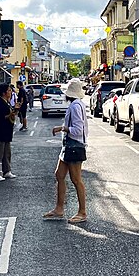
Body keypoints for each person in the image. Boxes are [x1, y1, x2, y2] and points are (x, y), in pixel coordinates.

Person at [44, 79, 88, 224]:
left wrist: (62, 128)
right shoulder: (77, 105)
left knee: (76, 180)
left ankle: (82, 212)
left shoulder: (75, 107)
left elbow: (78, 130)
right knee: (59, 175)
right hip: (69, 145)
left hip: (74, 145)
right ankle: (59, 208)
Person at [0, 84, 18, 182]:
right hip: (0, 132)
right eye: (9, 90)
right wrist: (10, 114)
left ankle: (7, 171)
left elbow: (10, 115)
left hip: (6, 131)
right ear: (4, 93)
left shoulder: (7, 102)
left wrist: (15, 110)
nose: (10, 92)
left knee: (7, 153)